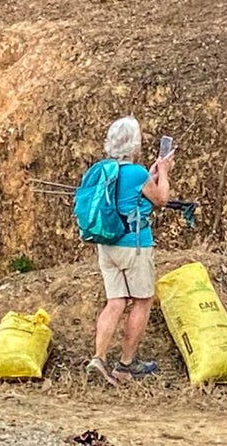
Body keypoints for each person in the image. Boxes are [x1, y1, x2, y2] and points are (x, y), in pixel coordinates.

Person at [85, 116, 172, 384]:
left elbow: (129, 191)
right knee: (142, 300)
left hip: (106, 244)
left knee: (115, 302)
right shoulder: (136, 173)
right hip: (134, 245)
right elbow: (161, 199)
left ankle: (98, 358)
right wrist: (164, 172)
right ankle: (125, 365)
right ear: (134, 144)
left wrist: (151, 174)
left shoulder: (102, 169)